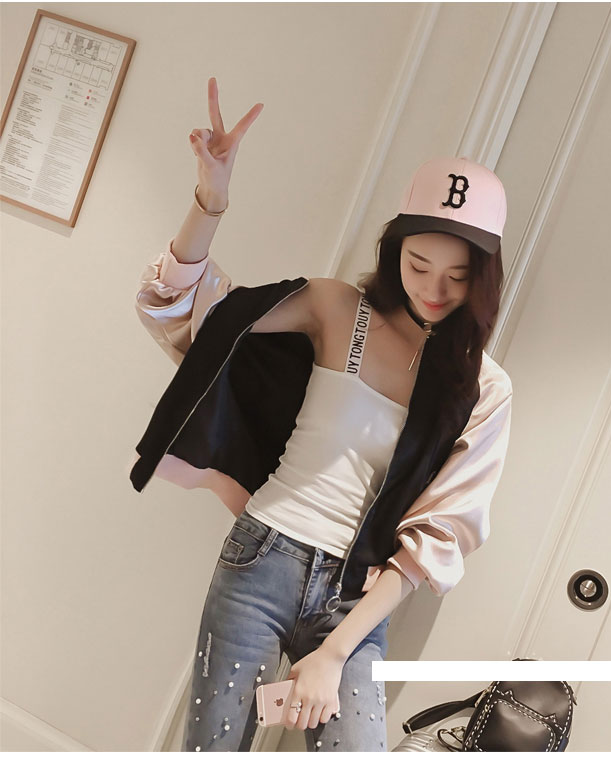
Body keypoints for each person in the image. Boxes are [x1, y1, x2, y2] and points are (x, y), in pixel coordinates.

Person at [131, 77, 512, 752]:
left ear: (482, 278)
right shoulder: (339, 309)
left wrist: (335, 652)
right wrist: (211, 199)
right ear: (394, 249)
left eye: (457, 277)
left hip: (356, 600)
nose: (434, 289)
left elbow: (438, 537)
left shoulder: (482, 387)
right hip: (261, 559)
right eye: (419, 264)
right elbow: (189, 312)